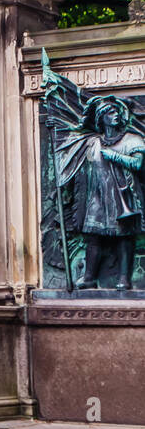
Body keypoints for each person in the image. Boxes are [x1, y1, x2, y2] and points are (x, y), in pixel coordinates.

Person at [51, 96, 145, 289]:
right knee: (93, 237)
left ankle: (124, 279)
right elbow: (72, 156)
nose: (116, 115)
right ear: (101, 118)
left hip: (122, 196)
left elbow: (137, 163)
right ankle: (89, 277)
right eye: (110, 112)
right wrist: (56, 129)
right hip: (98, 196)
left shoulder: (132, 140)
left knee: (124, 236)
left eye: (117, 111)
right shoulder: (92, 142)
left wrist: (115, 156)